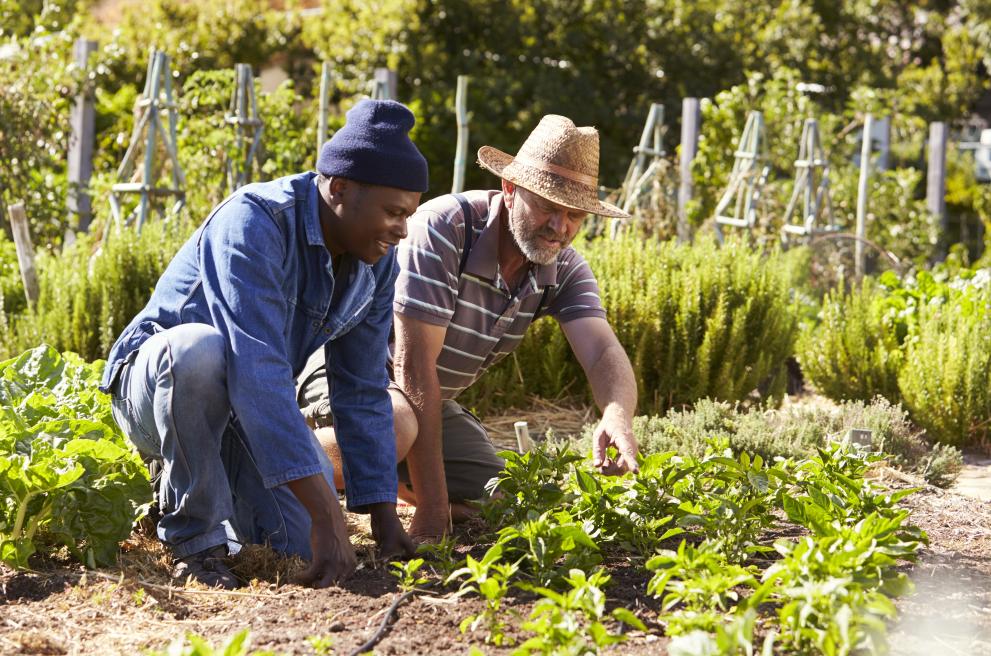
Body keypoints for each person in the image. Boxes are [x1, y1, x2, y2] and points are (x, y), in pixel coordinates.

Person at [100, 99, 426, 589]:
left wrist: (381, 519)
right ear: (340, 189)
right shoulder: (257, 222)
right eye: (393, 213)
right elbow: (257, 369)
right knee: (199, 350)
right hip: (157, 388)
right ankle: (196, 541)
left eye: (409, 215)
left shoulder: (376, 263)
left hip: (241, 409)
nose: (402, 230)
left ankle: (210, 487)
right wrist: (328, 515)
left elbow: (360, 388)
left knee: (296, 544)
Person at [297, 114, 641, 542]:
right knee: (397, 426)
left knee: (509, 497)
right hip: (350, 378)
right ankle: (272, 474)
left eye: (574, 214)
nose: (561, 227)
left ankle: (389, 481)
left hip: (425, 403)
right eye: (549, 207)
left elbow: (603, 352)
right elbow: (412, 367)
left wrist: (617, 413)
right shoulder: (446, 228)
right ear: (511, 190)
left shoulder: (562, 266)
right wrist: (434, 511)